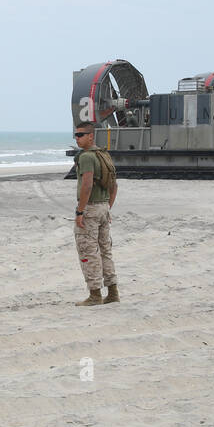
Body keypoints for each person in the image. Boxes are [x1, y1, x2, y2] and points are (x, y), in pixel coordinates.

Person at [71, 122, 119, 306]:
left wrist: (80, 211)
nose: (77, 138)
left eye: (81, 134)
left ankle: (95, 295)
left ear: (91, 136)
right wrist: (107, 207)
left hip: (90, 208)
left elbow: (87, 185)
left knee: (88, 251)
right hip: (103, 208)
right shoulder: (103, 154)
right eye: (75, 135)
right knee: (105, 251)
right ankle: (113, 292)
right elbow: (114, 185)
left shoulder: (87, 157)